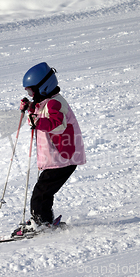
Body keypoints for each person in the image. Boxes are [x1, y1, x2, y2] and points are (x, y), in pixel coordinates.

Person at [12, 62, 86, 237]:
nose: (30, 95)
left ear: (43, 87)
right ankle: (43, 220)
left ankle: (40, 222)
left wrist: (37, 120)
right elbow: (38, 116)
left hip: (63, 158)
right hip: (58, 158)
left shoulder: (55, 104)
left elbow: (57, 124)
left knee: (41, 193)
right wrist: (30, 108)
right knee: (44, 192)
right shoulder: (46, 102)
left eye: (31, 91)